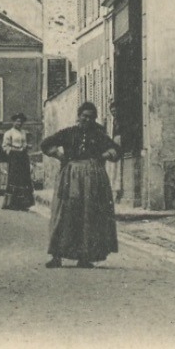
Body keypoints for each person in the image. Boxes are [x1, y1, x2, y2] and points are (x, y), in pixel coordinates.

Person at [40, 101, 119, 268]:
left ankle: (85, 257)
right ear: (78, 116)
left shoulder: (99, 135)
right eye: (84, 116)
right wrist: (59, 155)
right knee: (65, 213)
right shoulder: (68, 133)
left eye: (91, 117)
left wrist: (104, 156)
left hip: (93, 180)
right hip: (70, 178)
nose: (87, 120)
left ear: (94, 118)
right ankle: (56, 256)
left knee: (89, 215)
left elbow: (116, 150)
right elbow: (45, 144)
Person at [0, 113, 35, 211]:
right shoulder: (9, 133)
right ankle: (12, 204)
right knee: (14, 178)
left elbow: (24, 144)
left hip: (23, 157)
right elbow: (5, 146)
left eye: (20, 122)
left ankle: (23, 204)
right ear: (13, 122)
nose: (19, 123)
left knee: (24, 179)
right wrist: (14, 151)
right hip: (14, 157)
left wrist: (27, 146)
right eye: (17, 121)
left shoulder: (23, 133)